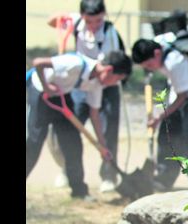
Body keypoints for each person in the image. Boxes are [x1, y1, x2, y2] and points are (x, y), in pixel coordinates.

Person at [26, 50, 131, 201]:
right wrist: (47, 87)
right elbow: (38, 63)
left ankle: (79, 191)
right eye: (117, 79)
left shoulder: (96, 85)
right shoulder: (74, 64)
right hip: (41, 93)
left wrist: (102, 146)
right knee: (34, 143)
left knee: (73, 144)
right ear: (108, 70)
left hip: (62, 96)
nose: (115, 84)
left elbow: (94, 116)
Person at [48, 0, 126, 193]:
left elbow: (109, 68)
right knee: (70, 127)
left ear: (104, 15)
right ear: (82, 16)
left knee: (108, 130)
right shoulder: (76, 24)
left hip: (105, 85)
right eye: (89, 21)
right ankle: (68, 169)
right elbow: (53, 22)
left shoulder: (110, 34)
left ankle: (109, 174)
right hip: (79, 83)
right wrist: (62, 17)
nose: (94, 25)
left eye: (98, 20)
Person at [131, 37, 188, 191]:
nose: (150, 69)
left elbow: (183, 96)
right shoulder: (158, 43)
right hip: (179, 90)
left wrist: (159, 117)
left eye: (150, 65)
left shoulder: (175, 62)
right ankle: (164, 179)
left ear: (157, 53)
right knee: (167, 133)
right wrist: (162, 118)